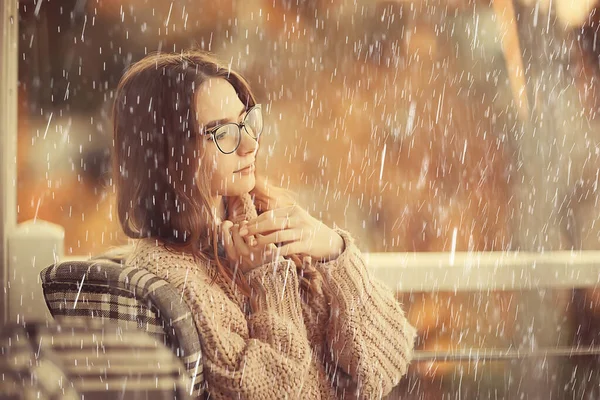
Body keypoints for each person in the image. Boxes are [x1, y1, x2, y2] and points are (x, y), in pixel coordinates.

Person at [112, 50, 416, 399]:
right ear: (169, 152)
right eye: (221, 133)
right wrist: (271, 283)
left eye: (246, 122)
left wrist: (334, 251)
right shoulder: (172, 274)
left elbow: (387, 359)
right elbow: (269, 392)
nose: (250, 144)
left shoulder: (268, 218)